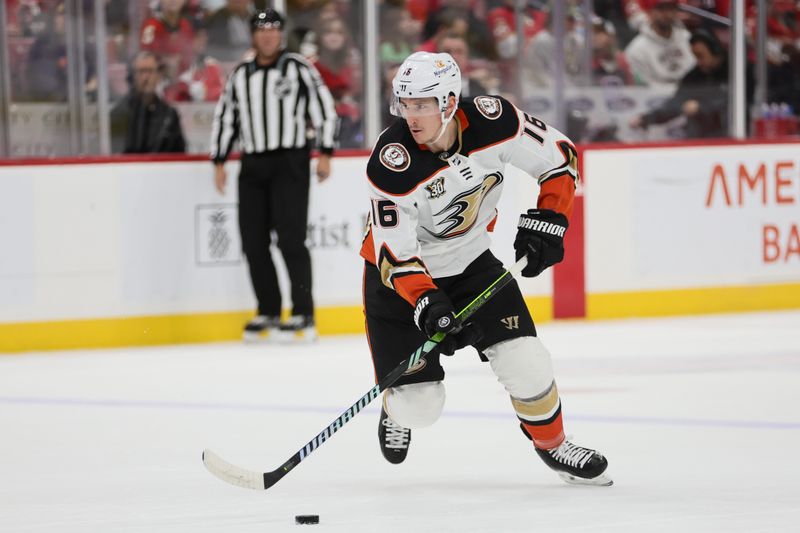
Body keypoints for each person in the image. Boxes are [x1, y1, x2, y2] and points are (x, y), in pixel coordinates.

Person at [361, 51, 611, 486]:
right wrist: (427, 302)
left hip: (472, 262)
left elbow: (561, 157)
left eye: (422, 104)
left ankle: (554, 446)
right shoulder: (392, 163)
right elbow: (395, 257)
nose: (411, 115)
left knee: (527, 361)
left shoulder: (497, 122)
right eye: (404, 103)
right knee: (421, 407)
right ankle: (396, 404)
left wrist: (551, 218)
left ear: (450, 102)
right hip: (400, 286)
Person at [209, 8, 338, 343]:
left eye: (273, 29)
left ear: (281, 34)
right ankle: (267, 308)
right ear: (253, 35)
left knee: (291, 239)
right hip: (252, 164)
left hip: (290, 161)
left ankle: (302, 312)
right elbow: (225, 117)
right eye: (261, 29)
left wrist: (325, 153)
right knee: (253, 241)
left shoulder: (297, 68)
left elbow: (324, 109)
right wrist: (219, 160)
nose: (267, 35)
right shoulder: (240, 74)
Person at [629, 30, 752, 138]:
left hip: (734, 137)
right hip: (701, 140)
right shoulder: (693, 77)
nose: (698, 62)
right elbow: (675, 104)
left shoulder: (740, 71)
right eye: (695, 56)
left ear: (717, 51)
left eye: (701, 56)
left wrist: (701, 106)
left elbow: (737, 101)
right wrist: (646, 119)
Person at [109, 51, 186, 153]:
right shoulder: (119, 114)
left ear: (158, 75)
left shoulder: (169, 114)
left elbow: (179, 152)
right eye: (141, 71)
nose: (146, 77)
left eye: (150, 71)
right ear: (133, 77)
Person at [624, 0, 695, 87]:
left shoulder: (686, 37)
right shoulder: (636, 50)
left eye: (671, 8)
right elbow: (643, 87)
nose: (668, 14)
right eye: (661, 9)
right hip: (658, 98)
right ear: (649, 12)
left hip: (691, 93)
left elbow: (696, 70)